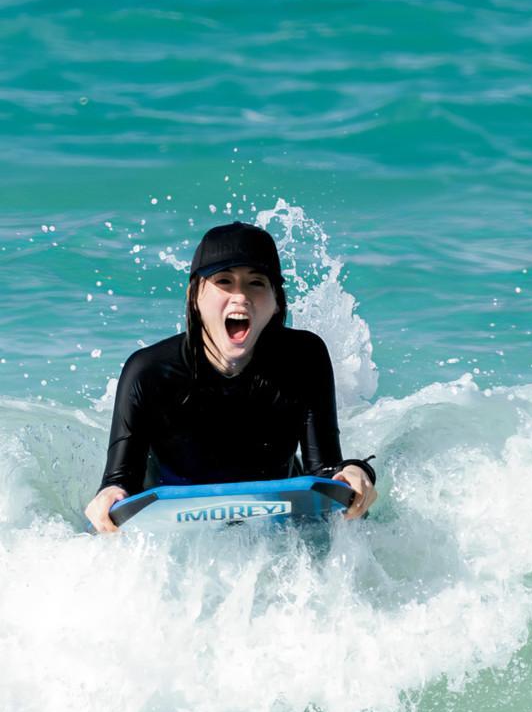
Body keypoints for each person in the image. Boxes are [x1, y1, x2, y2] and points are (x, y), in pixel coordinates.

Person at [84, 221, 377, 534]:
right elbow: (119, 482)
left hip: (274, 507)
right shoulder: (150, 372)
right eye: (224, 281)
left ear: (277, 300)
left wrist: (357, 471)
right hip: (173, 514)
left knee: (362, 523)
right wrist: (108, 498)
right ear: (194, 295)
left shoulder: (303, 358)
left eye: (256, 283)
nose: (241, 297)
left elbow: (325, 473)